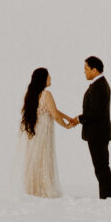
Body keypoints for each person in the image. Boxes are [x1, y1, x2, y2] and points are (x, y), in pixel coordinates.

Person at [19, 65, 78, 198]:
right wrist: (67, 126)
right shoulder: (46, 94)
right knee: (44, 157)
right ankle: (44, 188)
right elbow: (55, 114)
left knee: (35, 157)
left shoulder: (31, 94)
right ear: (43, 79)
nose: (51, 77)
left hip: (35, 131)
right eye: (48, 75)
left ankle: (33, 188)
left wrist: (68, 118)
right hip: (44, 131)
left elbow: (54, 111)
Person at [76, 56, 111, 200]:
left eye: (86, 69)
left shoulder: (99, 86)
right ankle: (107, 194)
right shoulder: (98, 84)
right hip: (98, 133)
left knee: (101, 165)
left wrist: (79, 119)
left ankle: (107, 195)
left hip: (98, 133)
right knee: (101, 165)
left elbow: (95, 112)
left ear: (95, 70)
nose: (84, 72)